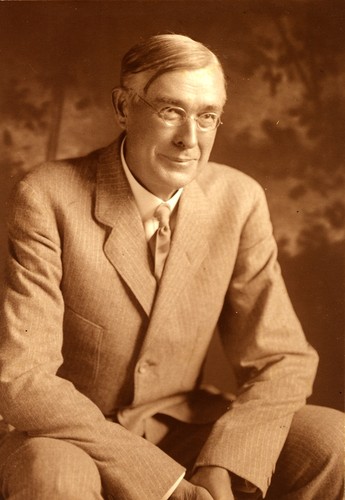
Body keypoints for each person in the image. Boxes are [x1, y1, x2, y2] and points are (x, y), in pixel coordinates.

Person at [0, 34, 343, 500]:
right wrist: (166, 480)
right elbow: (23, 378)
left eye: (207, 117)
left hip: (182, 424)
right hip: (68, 435)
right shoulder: (46, 195)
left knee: (332, 442)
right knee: (55, 476)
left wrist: (225, 460)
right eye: (169, 111)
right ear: (123, 107)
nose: (190, 140)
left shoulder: (239, 200)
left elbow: (282, 358)